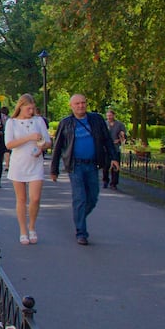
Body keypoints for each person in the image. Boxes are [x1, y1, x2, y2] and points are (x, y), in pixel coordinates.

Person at [50, 94, 120, 246]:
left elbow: (107, 140)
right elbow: (57, 147)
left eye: (83, 103)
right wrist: (54, 170)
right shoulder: (66, 123)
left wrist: (114, 157)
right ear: (71, 106)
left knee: (92, 198)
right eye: (77, 103)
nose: (81, 106)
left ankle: (79, 215)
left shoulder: (96, 120)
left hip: (92, 165)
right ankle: (81, 232)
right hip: (75, 166)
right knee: (80, 197)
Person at [4, 94, 51, 245]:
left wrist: (41, 146)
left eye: (32, 109)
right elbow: (9, 144)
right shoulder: (12, 122)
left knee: (35, 198)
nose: (31, 111)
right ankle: (23, 230)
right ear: (21, 107)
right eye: (28, 108)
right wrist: (29, 137)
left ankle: (32, 226)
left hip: (35, 163)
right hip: (18, 164)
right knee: (21, 199)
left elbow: (47, 142)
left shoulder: (38, 121)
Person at [104, 109, 128, 189]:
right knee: (106, 166)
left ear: (114, 115)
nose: (109, 117)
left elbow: (124, 136)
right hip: (106, 148)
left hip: (115, 148)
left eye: (110, 115)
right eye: (107, 116)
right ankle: (105, 180)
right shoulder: (104, 124)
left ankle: (113, 183)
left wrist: (119, 140)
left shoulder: (120, 125)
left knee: (115, 166)